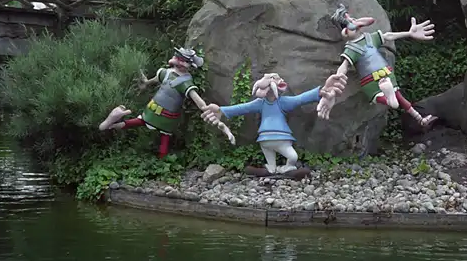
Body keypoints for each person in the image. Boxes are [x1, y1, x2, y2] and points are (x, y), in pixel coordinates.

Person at [201, 72, 346, 176]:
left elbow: (300, 99)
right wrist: (221, 110)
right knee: (276, 158)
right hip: (265, 139)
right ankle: (271, 168)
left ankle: (286, 168)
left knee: (293, 157)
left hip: (280, 138)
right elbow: (242, 108)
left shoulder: (283, 102)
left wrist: (319, 93)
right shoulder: (260, 103)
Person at [98, 47, 233, 157]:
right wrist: (145, 83)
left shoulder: (185, 82)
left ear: (188, 64)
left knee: (163, 136)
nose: (178, 60)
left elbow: (197, 100)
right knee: (139, 123)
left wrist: (206, 109)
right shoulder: (165, 72)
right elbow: (152, 81)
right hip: (153, 110)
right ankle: (110, 126)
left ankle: (161, 160)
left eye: (181, 59)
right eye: (178, 57)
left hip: (167, 116)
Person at [322, 4, 437, 128]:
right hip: (371, 81)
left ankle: (420, 119)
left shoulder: (370, 38)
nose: (352, 23)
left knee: (400, 98)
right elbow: (344, 66)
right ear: (344, 32)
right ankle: (390, 101)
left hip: (386, 74)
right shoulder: (352, 48)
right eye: (348, 24)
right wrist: (336, 81)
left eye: (353, 20)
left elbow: (387, 35)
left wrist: (409, 33)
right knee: (383, 97)